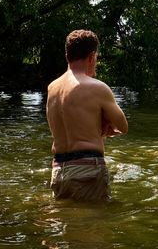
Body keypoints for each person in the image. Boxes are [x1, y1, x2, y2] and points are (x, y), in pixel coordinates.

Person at [46, 29, 128, 202]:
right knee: (93, 225)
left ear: (67, 55)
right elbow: (123, 126)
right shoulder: (97, 87)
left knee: (68, 224)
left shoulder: (52, 88)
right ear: (91, 57)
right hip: (87, 169)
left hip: (59, 170)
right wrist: (105, 122)